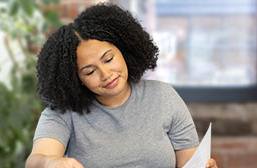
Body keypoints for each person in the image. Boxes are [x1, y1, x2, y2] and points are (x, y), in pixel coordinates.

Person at [26, 3, 218, 168]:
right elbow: (37, 159)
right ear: (76, 79)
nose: (106, 74)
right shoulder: (64, 113)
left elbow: (189, 162)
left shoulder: (163, 97)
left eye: (108, 59)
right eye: (90, 72)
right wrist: (51, 163)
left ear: (123, 49)